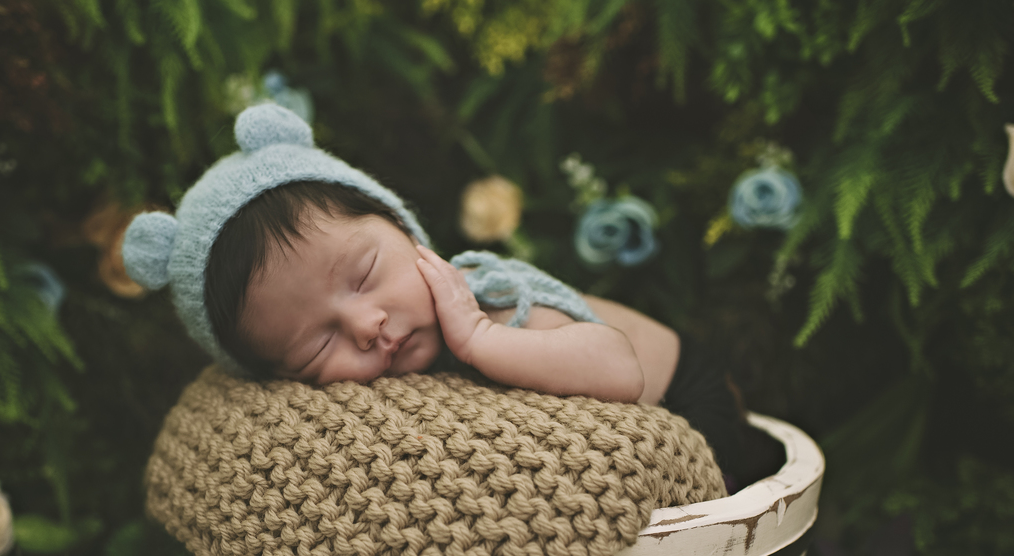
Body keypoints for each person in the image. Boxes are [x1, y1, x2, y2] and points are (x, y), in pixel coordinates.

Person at [122, 103, 748, 480]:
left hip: (691, 398)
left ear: (402, 226)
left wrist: (479, 337)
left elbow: (618, 370)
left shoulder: (486, 296)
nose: (367, 324)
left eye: (365, 274)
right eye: (315, 347)